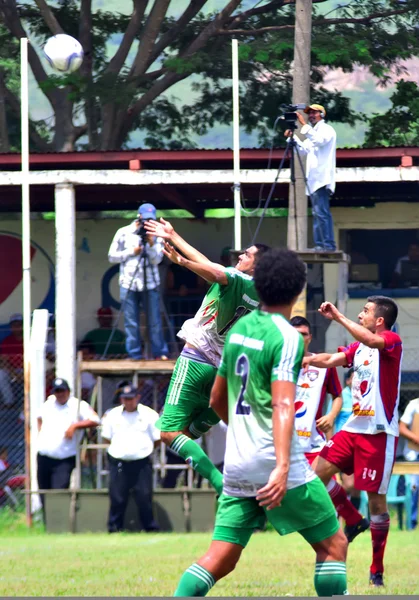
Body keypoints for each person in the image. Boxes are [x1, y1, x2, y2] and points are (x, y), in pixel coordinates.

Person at [173, 248, 348, 597]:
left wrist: (242, 434)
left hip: (238, 464)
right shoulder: (286, 337)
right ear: (297, 292)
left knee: (220, 557)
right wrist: (282, 467)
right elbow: (284, 402)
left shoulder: (237, 332)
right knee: (333, 544)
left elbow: (216, 400)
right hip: (273, 460)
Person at [145, 216, 270, 494]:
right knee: (187, 434)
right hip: (223, 373)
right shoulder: (260, 295)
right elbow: (215, 269)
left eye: (247, 254)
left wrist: (183, 263)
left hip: (195, 360)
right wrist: (174, 236)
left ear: (257, 265)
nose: (240, 256)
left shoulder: (236, 277)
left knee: (168, 433)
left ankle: (219, 482)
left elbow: (214, 273)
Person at [303, 295, 402, 587]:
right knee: (312, 476)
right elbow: (332, 359)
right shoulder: (358, 347)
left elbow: (372, 342)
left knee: (377, 503)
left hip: (379, 434)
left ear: (379, 320)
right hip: (353, 429)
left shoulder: (391, 341)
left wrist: (337, 317)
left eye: (366, 311)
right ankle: (351, 518)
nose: (361, 315)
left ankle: (376, 570)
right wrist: (305, 358)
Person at [108, 203, 167, 360]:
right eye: (145, 220)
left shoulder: (157, 234)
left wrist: (152, 243)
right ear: (139, 216)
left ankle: (160, 353)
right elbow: (111, 256)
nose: (147, 223)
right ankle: (134, 354)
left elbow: (157, 260)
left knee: (154, 320)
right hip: (128, 283)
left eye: (151, 220)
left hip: (151, 284)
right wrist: (131, 252)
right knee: (131, 321)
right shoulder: (124, 232)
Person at [101, 383, 160, 533]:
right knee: (117, 496)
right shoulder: (112, 415)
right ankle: (114, 528)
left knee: (144, 496)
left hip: (142, 461)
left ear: (137, 398)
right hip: (118, 461)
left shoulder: (149, 414)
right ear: (121, 399)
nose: (128, 402)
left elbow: (157, 438)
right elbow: (106, 438)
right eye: (125, 399)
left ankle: (149, 528)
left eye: (131, 398)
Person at [290, 316, 342, 464]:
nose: (300, 338)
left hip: (313, 444)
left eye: (304, 334)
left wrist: (331, 416)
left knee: (324, 485)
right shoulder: (277, 363)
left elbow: (337, 396)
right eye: (295, 334)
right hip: (282, 444)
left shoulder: (324, 365)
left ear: (310, 338)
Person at [37, 378, 100, 500]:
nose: (60, 394)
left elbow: (95, 420)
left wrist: (75, 426)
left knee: (59, 492)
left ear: (68, 391)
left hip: (64, 458)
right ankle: (48, 519)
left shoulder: (78, 405)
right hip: (44, 456)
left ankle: (60, 518)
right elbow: (39, 418)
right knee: (43, 492)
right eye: (57, 391)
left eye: (62, 391)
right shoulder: (49, 404)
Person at [285, 104, 337, 252]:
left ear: (322, 114)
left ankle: (328, 245)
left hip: (322, 179)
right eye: (310, 113)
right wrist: (292, 137)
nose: (311, 116)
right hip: (314, 180)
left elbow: (319, 141)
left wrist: (303, 125)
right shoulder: (313, 132)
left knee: (322, 213)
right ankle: (320, 245)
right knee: (317, 214)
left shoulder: (327, 130)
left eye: (314, 113)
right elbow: (303, 150)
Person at [399, 397, 419, 529]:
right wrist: (416, 438)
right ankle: (411, 524)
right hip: (414, 454)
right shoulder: (414, 404)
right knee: (414, 487)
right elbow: (401, 427)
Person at [335, 368, 354, 433]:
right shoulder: (340, 397)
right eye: (354, 378)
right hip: (341, 439)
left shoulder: (365, 398)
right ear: (347, 381)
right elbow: (329, 422)